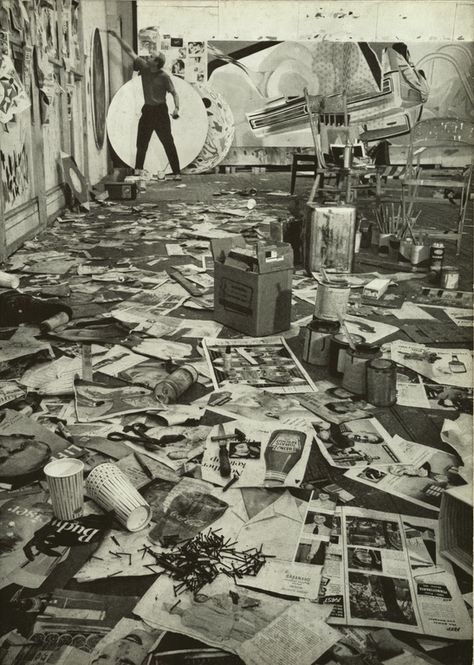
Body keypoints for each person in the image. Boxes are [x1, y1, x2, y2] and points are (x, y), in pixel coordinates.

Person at [107, 30, 182, 180]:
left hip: (161, 111)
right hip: (148, 110)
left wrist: (176, 109)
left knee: (168, 142)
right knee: (141, 142)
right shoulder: (144, 67)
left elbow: (174, 93)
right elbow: (130, 51)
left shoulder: (164, 77)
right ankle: (138, 171)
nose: (148, 57)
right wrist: (116, 37)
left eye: (152, 57)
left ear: (157, 64)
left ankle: (177, 172)